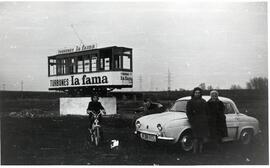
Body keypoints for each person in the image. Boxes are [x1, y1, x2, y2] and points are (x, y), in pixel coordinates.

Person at [186, 87, 209, 154]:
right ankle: (195, 151)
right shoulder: (190, 102)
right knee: (195, 137)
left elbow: (207, 111)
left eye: (199, 93)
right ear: (194, 93)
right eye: (196, 93)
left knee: (201, 137)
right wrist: (192, 120)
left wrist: (206, 119)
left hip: (203, 122)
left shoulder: (204, 101)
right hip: (195, 122)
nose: (197, 94)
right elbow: (188, 112)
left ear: (200, 94)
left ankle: (201, 151)